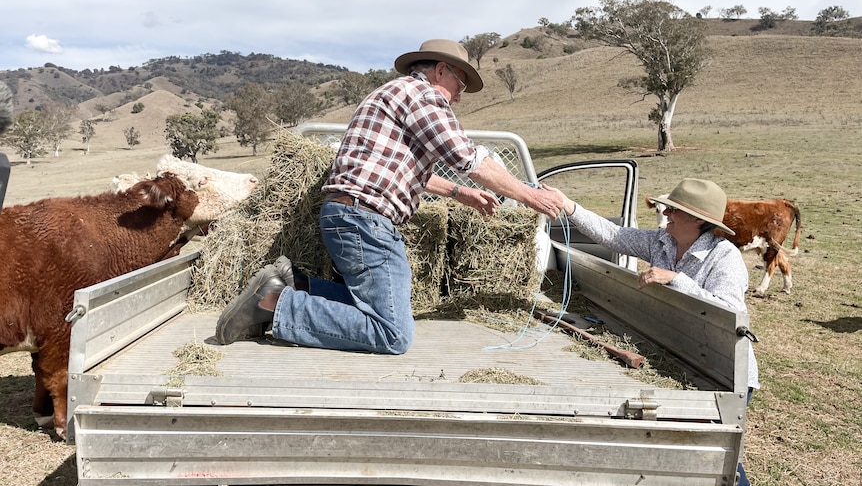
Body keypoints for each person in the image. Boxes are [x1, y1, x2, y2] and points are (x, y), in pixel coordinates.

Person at [216, 39, 564, 355]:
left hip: (352, 214)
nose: (458, 97)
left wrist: (461, 193)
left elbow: (403, 170)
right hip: (366, 220)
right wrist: (529, 196)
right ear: (441, 70)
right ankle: (275, 304)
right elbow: (467, 158)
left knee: (383, 310)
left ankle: (298, 285)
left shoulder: (393, 94)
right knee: (392, 333)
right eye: (460, 84)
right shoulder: (423, 96)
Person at [548, 177, 758, 486]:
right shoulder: (662, 241)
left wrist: (676, 279)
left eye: (674, 210)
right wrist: (569, 206)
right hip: (682, 356)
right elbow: (615, 235)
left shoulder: (725, 258)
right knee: (679, 449)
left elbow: (729, 312)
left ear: (698, 219)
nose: (666, 214)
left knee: (710, 453)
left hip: (721, 367)